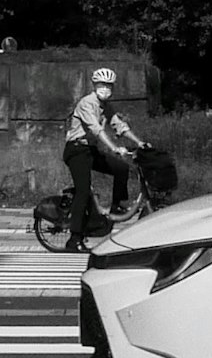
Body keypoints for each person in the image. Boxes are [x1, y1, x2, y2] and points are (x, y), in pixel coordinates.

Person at [60, 65, 149, 241]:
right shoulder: (87, 103)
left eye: (109, 85)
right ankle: (74, 238)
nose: (105, 89)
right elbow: (96, 130)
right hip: (77, 150)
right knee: (83, 191)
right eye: (102, 84)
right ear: (94, 85)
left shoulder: (106, 106)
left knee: (121, 168)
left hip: (90, 150)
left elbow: (119, 126)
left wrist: (139, 142)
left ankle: (117, 207)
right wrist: (114, 148)